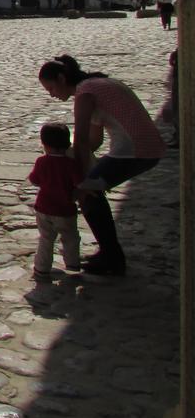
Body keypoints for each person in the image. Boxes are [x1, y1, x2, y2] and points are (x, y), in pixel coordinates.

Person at [38, 54, 166, 274]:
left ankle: (112, 256)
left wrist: (73, 176)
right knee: (92, 189)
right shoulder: (96, 84)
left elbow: (82, 140)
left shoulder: (85, 93)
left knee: (87, 194)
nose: (52, 94)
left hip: (135, 150)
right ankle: (108, 251)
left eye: (51, 88)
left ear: (61, 78)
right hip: (144, 147)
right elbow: (95, 142)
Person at [28, 123, 85, 282]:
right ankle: (72, 264)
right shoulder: (71, 164)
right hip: (65, 209)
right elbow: (80, 183)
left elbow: (34, 180)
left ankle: (41, 268)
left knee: (46, 239)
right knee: (70, 237)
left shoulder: (41, 161)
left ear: (44, 145)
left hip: (44, 208)